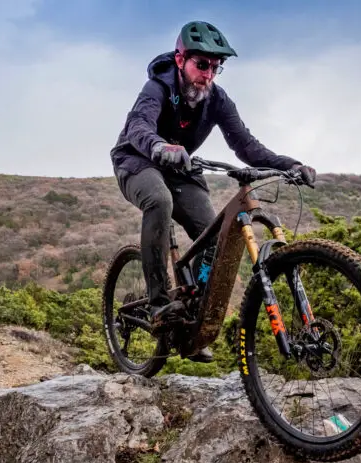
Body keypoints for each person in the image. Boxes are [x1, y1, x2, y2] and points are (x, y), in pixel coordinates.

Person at [109, 20, 316, 363]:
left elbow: (247, 146)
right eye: (201, 65)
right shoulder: (157, 87)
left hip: (181, 168)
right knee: (159, 200)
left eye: (216, 67)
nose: (208, 74)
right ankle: (160, 306)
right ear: (180, 60)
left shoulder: (216, 99)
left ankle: (192, 321)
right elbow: (138, 127)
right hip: (137, 160)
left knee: (217, 235)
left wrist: (290, 165)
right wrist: (160, 146)